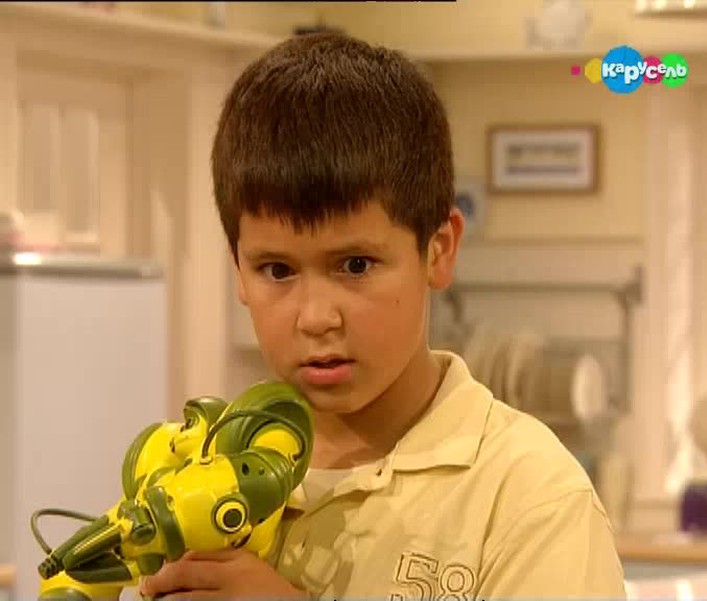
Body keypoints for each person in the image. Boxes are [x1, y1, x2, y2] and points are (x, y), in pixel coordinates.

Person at [140, 32, 626, 600]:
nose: (316, 317)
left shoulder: (530, 498)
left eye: (355, 265)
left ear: (439, 250)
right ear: (238, 270)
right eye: (277, 270)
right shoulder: (201, 470)